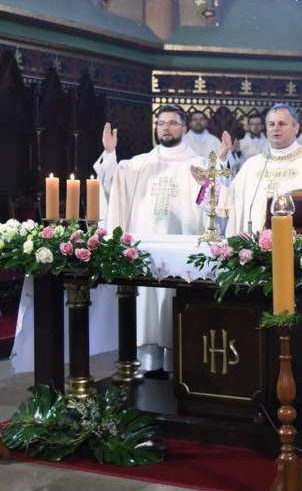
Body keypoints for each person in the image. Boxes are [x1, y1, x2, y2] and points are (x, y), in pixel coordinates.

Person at [96, 105, 226, 373]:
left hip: (182, 254)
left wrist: (216, 171)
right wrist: (109, 154)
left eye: (173, 123)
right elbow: (111, 185)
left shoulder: (200, 165)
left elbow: (218, 205)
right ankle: (147, 365)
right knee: (146, 310)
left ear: (184, 129)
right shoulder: (138, 164)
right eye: (162, 123)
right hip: (145, 251)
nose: (166, 128)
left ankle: (179, 366)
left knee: (174, 307)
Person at [225, 104, 302, 235]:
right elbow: (231, 197)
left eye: (282, 124)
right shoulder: (252, 164)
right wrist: (211, 186)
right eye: (271, 124)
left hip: (298, 243)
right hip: (254, 243)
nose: (276, 128)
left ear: (296, 127)